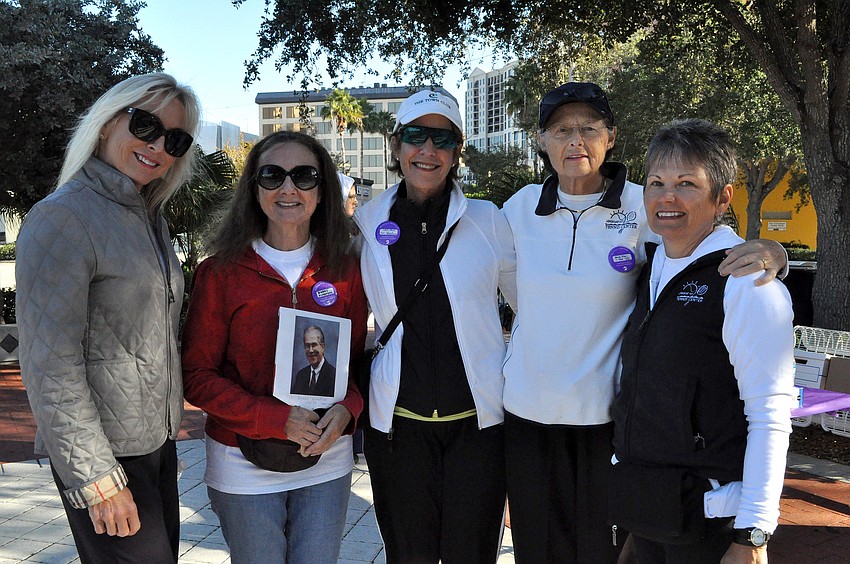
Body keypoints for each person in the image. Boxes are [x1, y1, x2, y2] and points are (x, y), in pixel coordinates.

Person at [500, 82, 788, 563]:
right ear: (541, 141)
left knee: (597, 553)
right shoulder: (516, 209)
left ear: (610, 137)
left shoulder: (644, 206)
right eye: (562, 130)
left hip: (606, 426)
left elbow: (706, 245)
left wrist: (775, 253)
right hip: (532, 418)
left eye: (589, 129)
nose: (576, 141)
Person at [15, 73, 200, 563]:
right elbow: (50, 364)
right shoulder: (63, 218)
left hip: (153, 445)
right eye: (145, 125)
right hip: (104, 457)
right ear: (104, 124)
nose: (158, 145)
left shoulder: (148, 217)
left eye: (175, 139)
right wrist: (95, 478)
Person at [610, 119, 794, 563]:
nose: (666, 196)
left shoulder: (748, 283)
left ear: (722, 198)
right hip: (650, 511)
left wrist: (752, 534)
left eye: (687, 183)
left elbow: (770, 413)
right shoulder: (651, 267)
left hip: (711, 524)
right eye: (656, 182)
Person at [181, 130, 366, 564]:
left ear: (322, 191)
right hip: (241, 460)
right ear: (254, 188)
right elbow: (197, 377)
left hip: (325, 456)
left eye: (304, 176)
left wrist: (348, 409)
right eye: (272, 176)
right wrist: (273, 418)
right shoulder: (220, 273)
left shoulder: (347, 269)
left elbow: (354, 365)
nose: (288, 188)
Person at [353, 89, 517, 563]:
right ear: (396, 144)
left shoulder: (489, 221)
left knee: (472, 554)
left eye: (441, 139)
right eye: (415, 136)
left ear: (456, 151)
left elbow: (533, 303)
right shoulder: (366, 224)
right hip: (398, 433)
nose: (427, 150)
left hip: (477, 431)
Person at [291, 325, 337, 396]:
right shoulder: (300, 375)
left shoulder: (334, 375)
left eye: (314, 345)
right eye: (307, 346)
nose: (310, 350)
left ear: (323, 346)